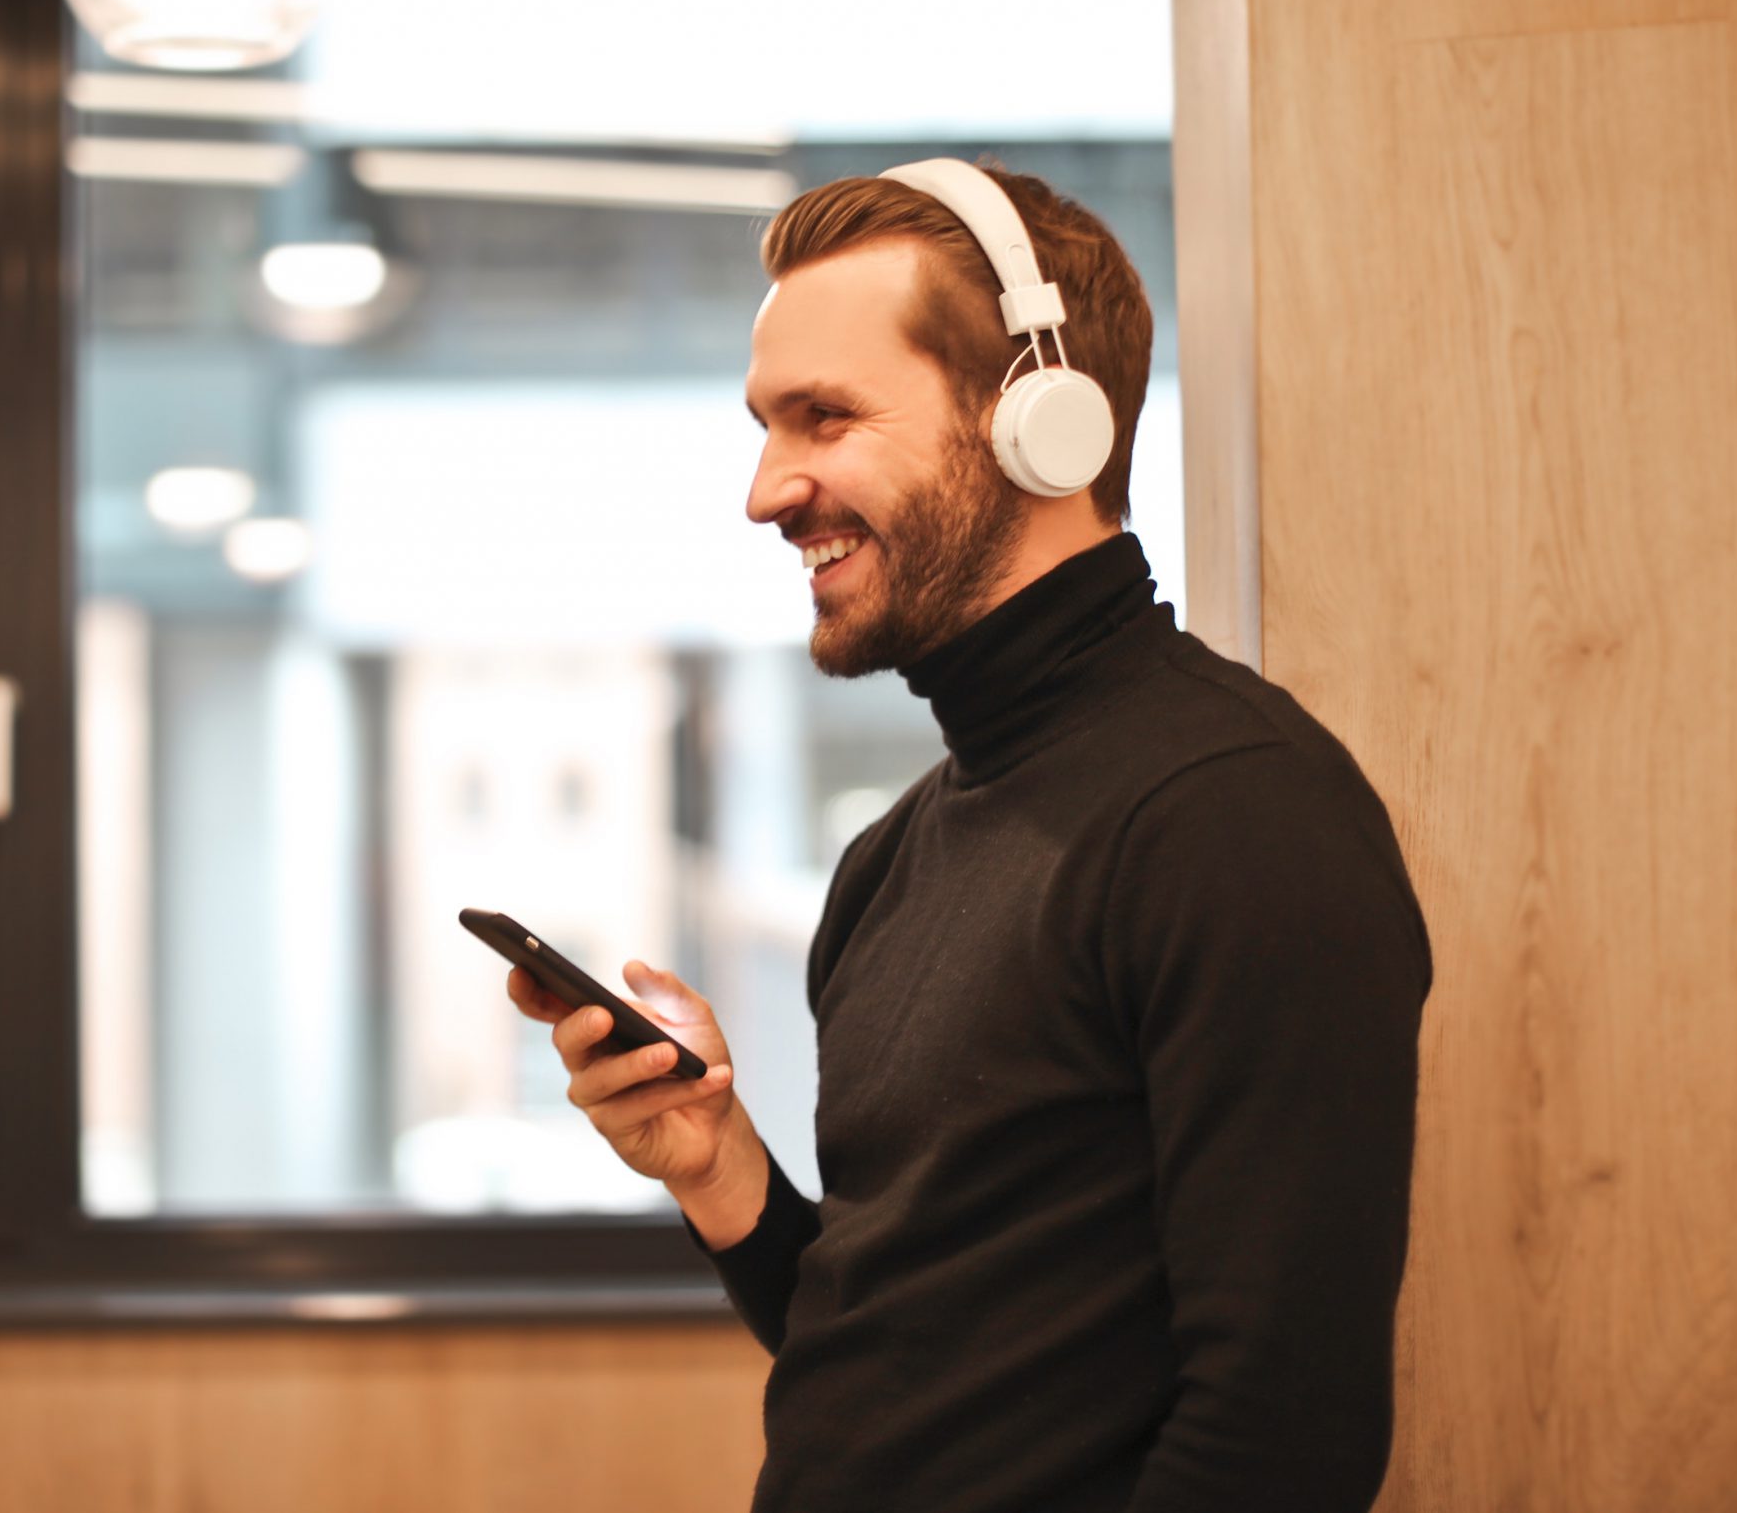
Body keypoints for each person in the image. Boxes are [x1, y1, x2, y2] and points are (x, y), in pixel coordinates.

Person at [502, 158, 1432, 1512]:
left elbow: (1284, 1438)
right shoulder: (893, 859)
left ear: (1039, 418)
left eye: (824, 418)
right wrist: (720, 1169)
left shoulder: (1236, 815)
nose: (767, 490)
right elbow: (905, 1362)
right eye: (766, 426)